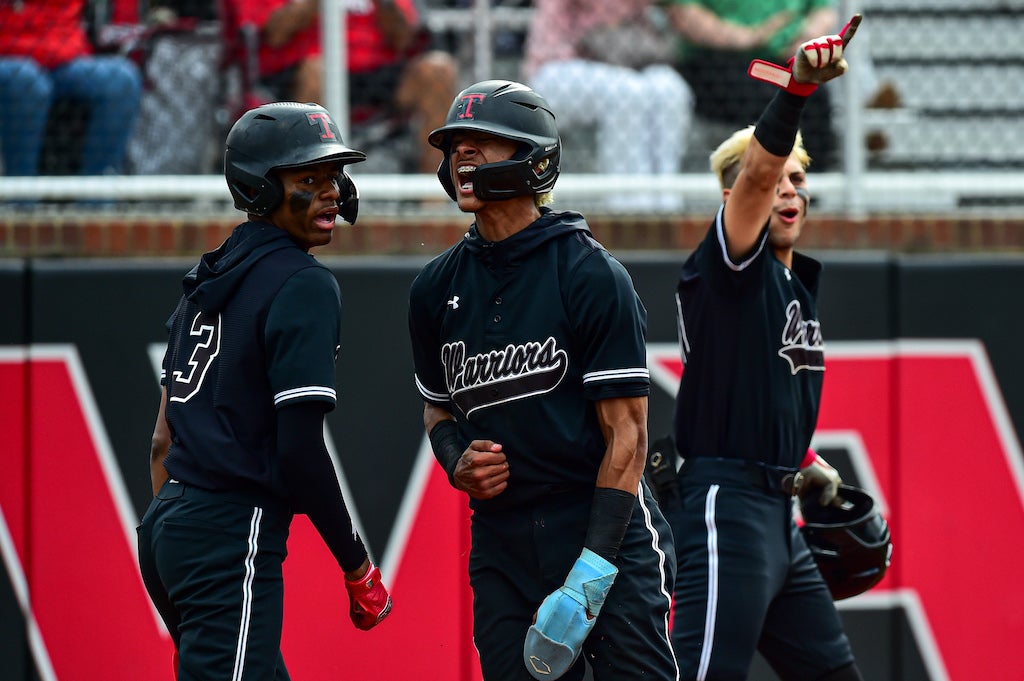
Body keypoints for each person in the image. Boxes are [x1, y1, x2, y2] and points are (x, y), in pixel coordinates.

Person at [407, 80, 677, 681]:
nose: (462, 159)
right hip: (503, 542)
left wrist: (592, 570)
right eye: (455, 148)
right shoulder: (433, 289)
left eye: (483, 144)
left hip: (606, 530)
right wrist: (456, 460)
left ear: (535, 159)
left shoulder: (589, 274)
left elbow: (628, 436)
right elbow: (438, 412)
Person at [137, 102, 393, 679]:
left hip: (167, 527)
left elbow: (161, 439)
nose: (331, 193)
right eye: (308, 179)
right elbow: (298, 449)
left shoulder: (208, 275)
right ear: (259, 186)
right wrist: (355, 565)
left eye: (334, 177)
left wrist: (177, 530)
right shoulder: (305, 284)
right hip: (227, 532)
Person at [663, 16, 867, 681]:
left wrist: (806, 462)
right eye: (779, 177)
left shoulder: (791, 283)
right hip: (728, 507)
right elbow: (755, 176)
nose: (790, 188)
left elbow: (761, 389)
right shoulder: (727, 268)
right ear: (733, 196)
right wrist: (798, 92)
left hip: (780, 515)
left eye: (801, 179)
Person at [227, 0, 458, 174]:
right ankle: (319, 188)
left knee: (438, 70)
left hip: (377, 75)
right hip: (302, 73)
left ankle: (434, 197)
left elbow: (404, 39)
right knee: (318, 69)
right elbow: (274, 34)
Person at [522, 0, 693, 213]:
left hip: (624, 65)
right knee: (626, 93)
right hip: (557, 66)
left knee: (671, 88)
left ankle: (667, 202)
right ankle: (628, 207)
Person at [666, 0, 840, 170]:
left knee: (813, 94)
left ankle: (804, 184)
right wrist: (748, 38)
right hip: (721, 61)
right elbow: (683, 13)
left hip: (784, 60)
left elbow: (823, 12)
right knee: (768, 96)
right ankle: (761, 183)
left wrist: (802, 41)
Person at [0, 0, 142, 176]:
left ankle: (96, 195)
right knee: (27, 80)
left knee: (121, 79)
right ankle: (21, 194)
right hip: (8, 58)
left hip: (62, 58)